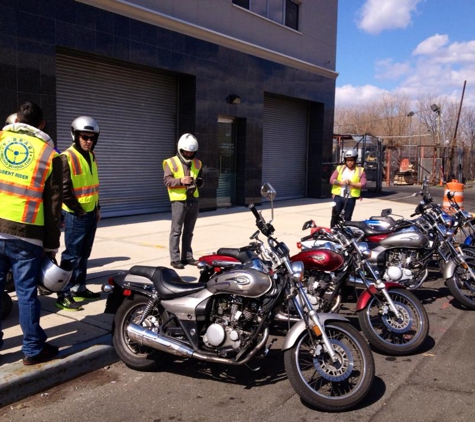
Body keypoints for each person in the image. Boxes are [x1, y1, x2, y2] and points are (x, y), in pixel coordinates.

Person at [0, 101, 63, 365]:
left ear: (17, 120)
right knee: (26, 293)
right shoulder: (50, 155)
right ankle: (33, 349)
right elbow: (53, 206)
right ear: (42, 124)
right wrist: (51, 244)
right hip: (27, 234)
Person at [56, 116, 101, 311]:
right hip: (76, 216)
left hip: (90, 213)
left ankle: (79, 287)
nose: (88, 141)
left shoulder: (91, 156)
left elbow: (94, 185)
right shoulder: (67, 157)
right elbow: (64, 191)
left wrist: (97, 208)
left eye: (92, 138)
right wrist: (79, 211)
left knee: (84, 254)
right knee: (71, 256)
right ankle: (63, 294)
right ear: (75, 136)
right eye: (84, 137)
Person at [163, 133, 203, 270]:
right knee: (176, 231)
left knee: (189, 231)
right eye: (186, 151)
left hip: (193, 199)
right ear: (181, 149)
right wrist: (181, 181)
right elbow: (166, 180)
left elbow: (201, 179)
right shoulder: (171, 162)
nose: (189, 154)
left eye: (192, 152)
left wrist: (198, 182)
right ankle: (175, 259)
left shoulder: (197, 163)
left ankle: (188, 256)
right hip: (179, 201)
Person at [329, 148, 367, 227]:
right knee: (335, 216)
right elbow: (332, 180)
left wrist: (351, 183)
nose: (349, 162)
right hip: (338, 197)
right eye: (348, 160)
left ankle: (345, 233)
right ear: (345, 160)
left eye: (352, 160)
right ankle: (333, 232)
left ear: (355, 160)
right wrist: (341, 182)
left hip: (350, 198)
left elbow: (363, 184)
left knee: (347, 218)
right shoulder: (339, 168)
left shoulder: (360, 170)